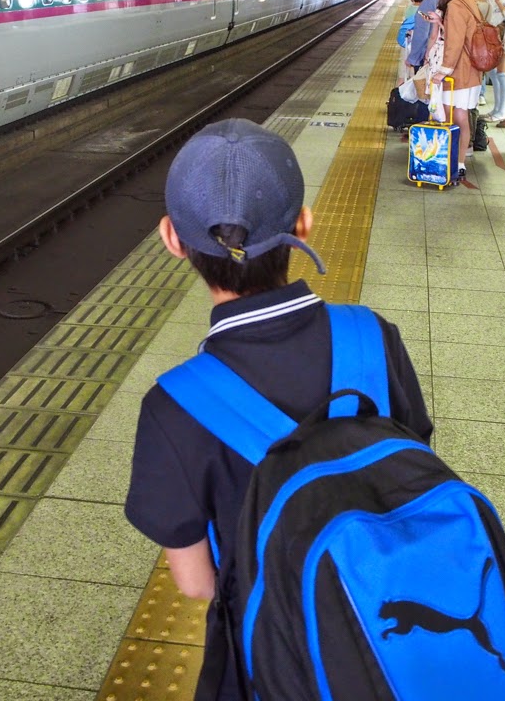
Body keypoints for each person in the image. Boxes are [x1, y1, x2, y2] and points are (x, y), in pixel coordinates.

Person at [124, 119, 432, 701]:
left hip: (268, 666)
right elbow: (414, 469)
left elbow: (196, 583)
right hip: (402, 642)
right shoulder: (374, 337)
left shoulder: (173, 406)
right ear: (303, 225)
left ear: (172, 239)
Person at [423, 0, 483, 181]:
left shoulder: (456, 6)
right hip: (471, 70)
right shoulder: (468, 0)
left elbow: (455, 43)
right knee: (461, 115)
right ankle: (459, 163)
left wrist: (443, 71)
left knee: (452, 117)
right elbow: (462, 34)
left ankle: (451, 162)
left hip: (459, 72)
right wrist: (441, 23)